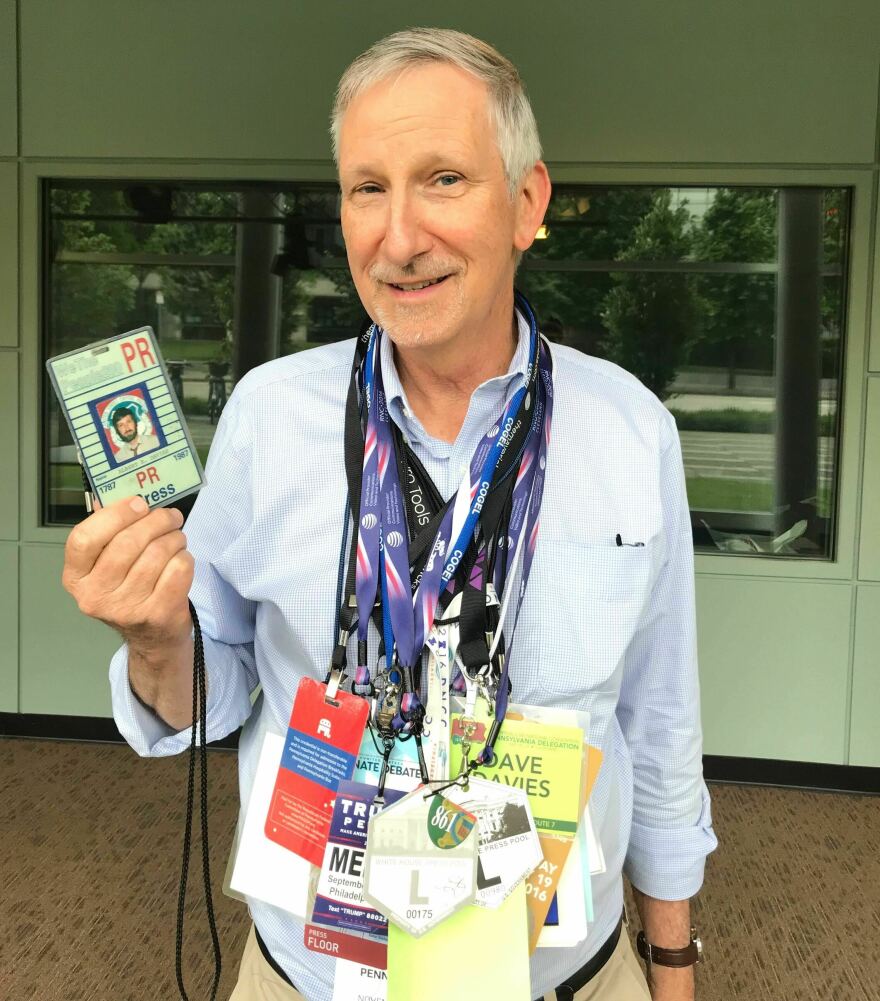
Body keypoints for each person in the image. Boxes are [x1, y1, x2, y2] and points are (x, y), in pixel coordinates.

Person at [61, 28, 716, 1001]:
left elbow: (658, 719)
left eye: (443, 177)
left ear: (526, 202)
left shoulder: (630, 429)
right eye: (368, 187)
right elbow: (217, 687)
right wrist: (157, 641)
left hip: (567, 976)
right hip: (309, 977)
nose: (399, 236)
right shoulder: (269, 418)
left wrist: (670, 960)